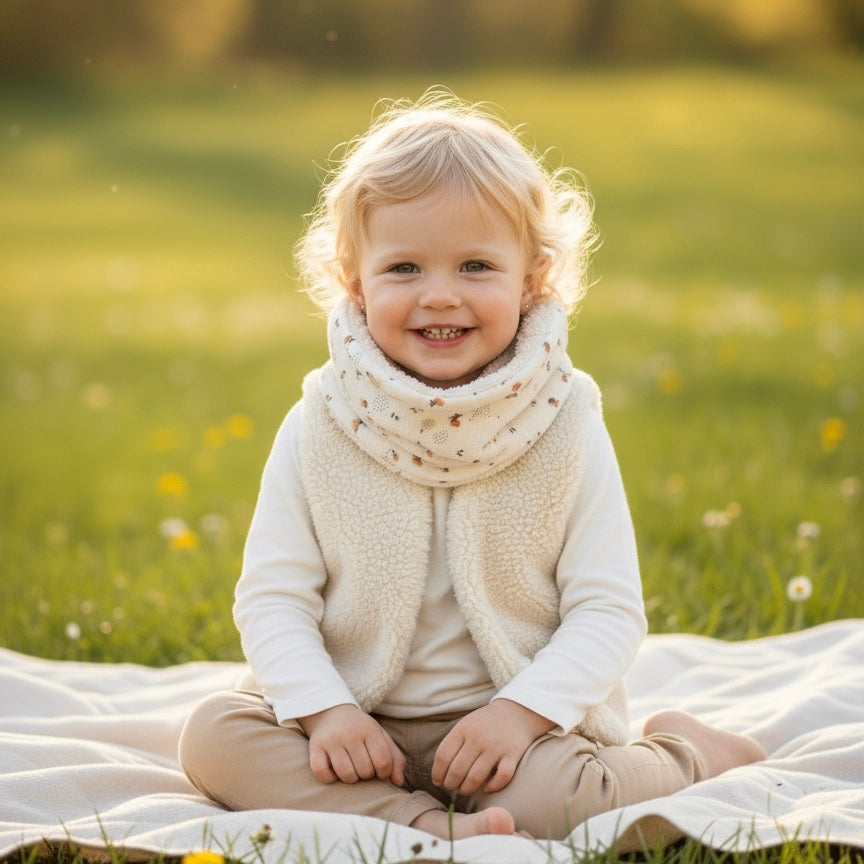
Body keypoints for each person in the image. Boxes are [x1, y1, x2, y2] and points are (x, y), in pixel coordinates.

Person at [178, 90, 764, 841]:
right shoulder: (320, 425)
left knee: (568, 802)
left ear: (533, 279)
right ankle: (419, 823)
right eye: (405, 268)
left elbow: (607, 610)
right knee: (213, 735)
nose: (440, 295)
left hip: (515, 737)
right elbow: (273, 599)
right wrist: (326, 712)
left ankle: (687, 755)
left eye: (477, 265)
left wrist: (520, 716)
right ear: (356, 283)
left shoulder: (566, 425)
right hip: (356, 724)